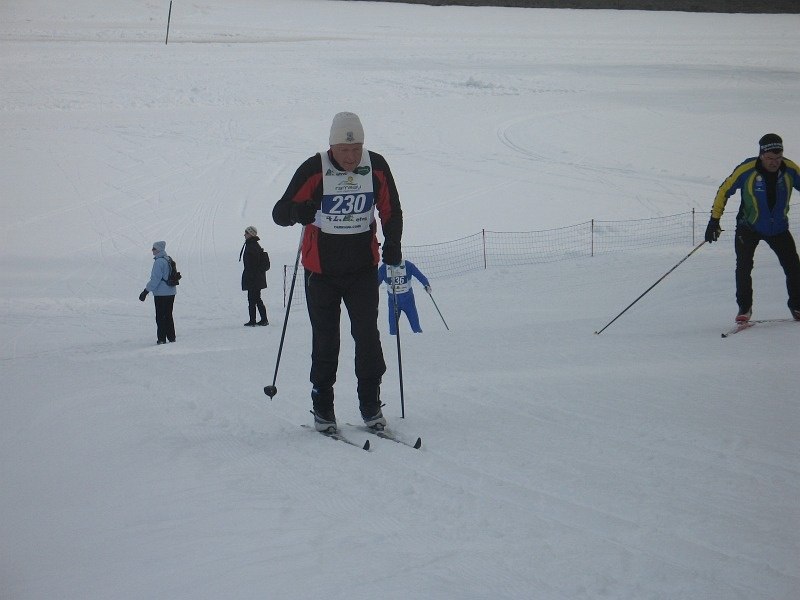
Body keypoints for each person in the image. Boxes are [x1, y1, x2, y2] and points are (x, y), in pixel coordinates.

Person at [272, 112, 403, 433]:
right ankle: (323, 406)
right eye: (344, 150)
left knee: (368, 337)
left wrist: (393, 244)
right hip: (321, 272)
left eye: (356, 149)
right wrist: (298, 211)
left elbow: (391, 209)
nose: (351, 157)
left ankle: (370, 403)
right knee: (326, 339)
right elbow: (280, 212)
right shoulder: (314, 168)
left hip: (362, 269)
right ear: (331, 146)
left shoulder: (376, 166)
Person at [705, 133, 800, 323]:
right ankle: (744, 308)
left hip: (778, 228)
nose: (774, 162)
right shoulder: (746, 169)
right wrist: (714, 220)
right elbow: (724, 190)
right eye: (770, 158)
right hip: (748, 227)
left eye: (778, 157)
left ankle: (797, 305)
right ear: (761, 155)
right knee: (744, 267)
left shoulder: (790, 169)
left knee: (794, 267)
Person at [378, 259, 431, 335]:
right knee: (393, 329)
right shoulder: (384, 268)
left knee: (416, 327)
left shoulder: (407, 265)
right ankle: (393, 341)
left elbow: (420, 276)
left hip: (408, 302)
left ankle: (420, 339)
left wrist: (426, 285)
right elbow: (376, 282)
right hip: (393, 303)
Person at [138, 240, 177, 344]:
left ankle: (161, 339)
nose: (152, 250)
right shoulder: (168, 259)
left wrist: (145, 291)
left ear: (159, 249)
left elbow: (155, 280)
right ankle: (172, 337)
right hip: (171, 292)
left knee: (160, 317)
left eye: (154, 248)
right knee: (168, 315)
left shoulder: (159, 262)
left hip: (161, 294)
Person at [240, 225, 269, 327]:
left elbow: (252, 265)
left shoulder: (252, 246)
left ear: (251, 234)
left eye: (246, 233)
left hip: (254, 278)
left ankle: (255, 320)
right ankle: (262, 320)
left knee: (253, 299)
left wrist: (250, 276)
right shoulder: (253, 245)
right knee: (256, 299)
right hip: (256, 277)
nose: (244, 235)